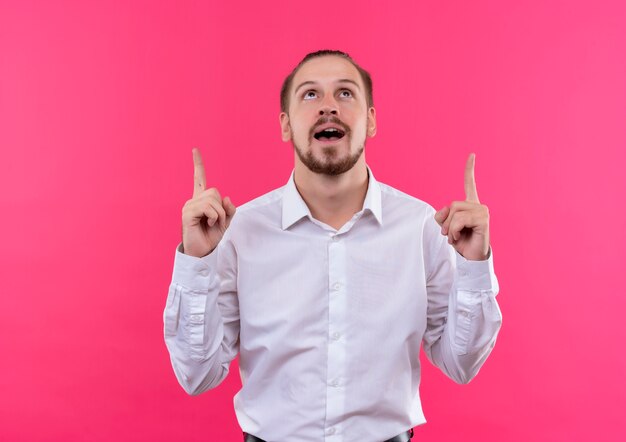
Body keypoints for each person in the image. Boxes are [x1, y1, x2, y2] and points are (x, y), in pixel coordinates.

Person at [163, 50, 502, 442]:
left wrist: (475, 267)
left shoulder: (423, 227)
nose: (328, 107)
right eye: (310, 95)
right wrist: (197, 262)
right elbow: (196, 374)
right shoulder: (240, 231)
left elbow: (462, 365)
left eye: (345, 93)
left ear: (371, 120)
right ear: (286, 125)